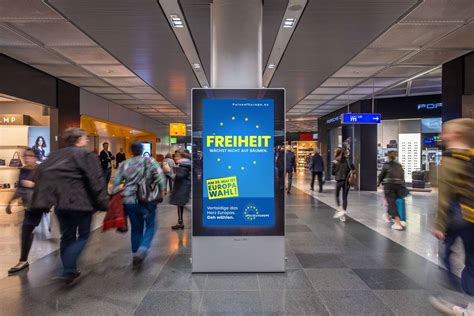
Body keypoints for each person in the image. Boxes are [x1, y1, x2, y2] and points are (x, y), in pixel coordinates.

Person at [30, 128, 109, 283]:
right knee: (84, 235)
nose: (87, 141)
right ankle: (68, 269)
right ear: (79, 139)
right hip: (82, 204)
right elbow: (96, 181)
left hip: (61, 205)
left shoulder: (54, 156)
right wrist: (104, 202)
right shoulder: (86, 155)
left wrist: (47, 198)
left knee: (67, 236)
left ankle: (69, 270)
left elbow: (40, 173)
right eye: (86, 138)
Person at [429, 118, 474, 315]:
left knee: (453, 256)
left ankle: (469, 303)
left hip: (463, 218)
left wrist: (439, 224)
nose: (442, 136)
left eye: (445, 132)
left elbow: (445, 197)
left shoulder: (450, 160)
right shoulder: (471, 156)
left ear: (455, 135)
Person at [112, 141, 166, 266]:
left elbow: (115, 185)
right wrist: (162, 191)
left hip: (129, 201)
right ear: (142, 150)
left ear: (131, 151)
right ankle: (142, 249)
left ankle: (135, 253)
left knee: (136, 229)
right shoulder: (150, 161)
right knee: (151, 225)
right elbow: (160, 178)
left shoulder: (124, 164)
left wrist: (120, 191)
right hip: (147, 199)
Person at [5, 148, 42, 274]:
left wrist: (34, 185)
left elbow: (49, 187)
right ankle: (23, 260)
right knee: (26, 230)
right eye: (25, 156)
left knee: (27, 230)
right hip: (29, 206)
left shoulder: (41, 170)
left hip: (39, 205)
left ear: (35, 157)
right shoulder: (23, 170)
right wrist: (11, 202)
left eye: (30, 156)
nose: (26, 158)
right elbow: (20, 188)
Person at [378, 150, 405, 230]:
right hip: (398, 186)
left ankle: (397, 222)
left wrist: (378, 183)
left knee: (392, 203)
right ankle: (387, 216)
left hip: (388, 186)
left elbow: (381, 175)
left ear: (388, 156)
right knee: (391, 201)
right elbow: (402, 176)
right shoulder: (399, 165)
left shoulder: (386, 165)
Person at [331, 147, 355, 222]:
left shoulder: (335, 161)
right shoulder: (348, 160)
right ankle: (343, 215)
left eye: (335, 152)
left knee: (337, 195)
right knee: (344, 198)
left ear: (337, 153)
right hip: (346, 182)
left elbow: (333, 173)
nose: (334, 154)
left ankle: (339, 208)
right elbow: (353, 169)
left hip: (339, 181)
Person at [170, 150, 191, 230]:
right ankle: (180, 222)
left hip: (182, 189)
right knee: (181, 206)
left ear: (182, 157)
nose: (175, 158)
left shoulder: (184, 165)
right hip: (183, 189)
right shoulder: (185, 164)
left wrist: (173, 175)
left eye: (177, 156)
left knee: (183, 206)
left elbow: (180, 176)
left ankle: (181, 222)